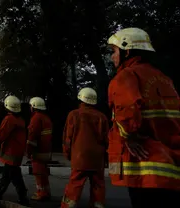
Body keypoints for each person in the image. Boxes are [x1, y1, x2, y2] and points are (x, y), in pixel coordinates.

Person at [107, 27, 180, 207]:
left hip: (145, 166)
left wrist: (128, 136)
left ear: (127, 50)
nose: (112, 57)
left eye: (114, 51)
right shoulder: (164, 79)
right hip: (171, 165)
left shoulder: (127, 75)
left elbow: (126, 111)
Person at [61, 88, 109, 208]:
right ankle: (98, 205)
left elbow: (68, 138)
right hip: (97, 159)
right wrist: (106, 158)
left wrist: (67, 154)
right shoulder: (102, 117)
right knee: (98, 184)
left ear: (81, 99)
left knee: (75, 183)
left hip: (80, 157)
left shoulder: (74, 114)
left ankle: (68, 205)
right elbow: (107, 139)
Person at [0, 95, 29, 206]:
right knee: (7, 175)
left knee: (14, 176)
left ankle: (23, 197)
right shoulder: (21, 120)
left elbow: (0, 134)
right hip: (17, 153)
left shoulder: (9, 119)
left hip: (11, 153)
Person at [26, 97, 52, 201]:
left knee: (38, 172)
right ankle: (46, 192)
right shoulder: (46, 118)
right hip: (47, 150)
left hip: (38, 150)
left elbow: (32, 136)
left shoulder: (36, 118)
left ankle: (41, 193)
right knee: (43, 173)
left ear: (33, 107)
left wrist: (28, 151)